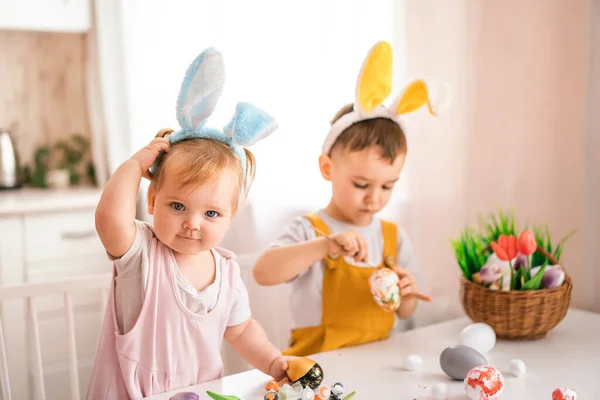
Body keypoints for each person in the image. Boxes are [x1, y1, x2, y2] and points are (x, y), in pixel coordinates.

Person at [87, 48, 289, 399]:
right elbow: (109, 219)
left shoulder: (226, 270)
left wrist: (273, 361)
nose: (192, 223)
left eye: (211, 213)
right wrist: (135, 166)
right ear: (152, 201)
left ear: (231, 215)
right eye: (178, 206)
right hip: (134, 393)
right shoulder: (141, 254)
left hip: (200, 393)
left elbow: (240, 332)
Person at [253, 41, 451, 357]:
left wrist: (408, 292)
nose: (374, 198)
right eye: (361, 184)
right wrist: (324, 246)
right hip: (318, 359)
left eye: (387, 187)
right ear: (328, 168)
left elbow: (405, 313)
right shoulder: (310, 229)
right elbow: (263, 273)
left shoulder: (392, 237)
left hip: (380, 357)